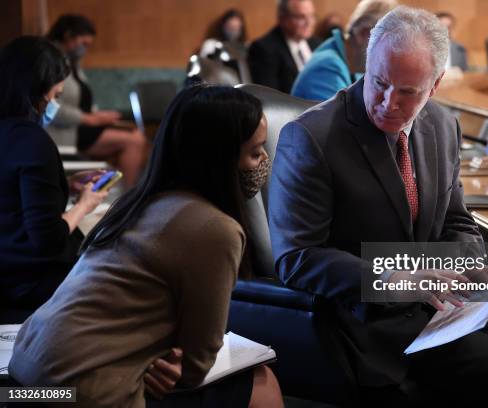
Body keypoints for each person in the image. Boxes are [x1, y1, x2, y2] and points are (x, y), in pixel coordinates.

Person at [269, 6, 488, 407]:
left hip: (447, 309)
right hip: (376, 329)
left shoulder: (441, 125)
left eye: (407, 92)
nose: (387, 101)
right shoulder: (311, 136)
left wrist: (468, 267)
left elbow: (457, 221)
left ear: (434, 87)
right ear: (367, 62)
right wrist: (404, 280)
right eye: (379, 82)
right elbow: (296, 257)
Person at [9, 85, 284, 408]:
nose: (265, 161)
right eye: (255, 152)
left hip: (21, 382)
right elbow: (196, 364)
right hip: (78, 393)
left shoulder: (134, 203)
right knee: (263, 383)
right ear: (219, 157)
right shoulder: (216, 228)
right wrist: (177, 364)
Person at [0, 36, 108, 311]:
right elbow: (48, 240)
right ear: (39, 90)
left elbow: (10, 190)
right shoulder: (33, 140)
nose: (54, 105)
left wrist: (64, 184)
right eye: (56, 97)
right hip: (30, 284)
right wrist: (85, 204)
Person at [46, 14, 147, 187]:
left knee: (137, 136)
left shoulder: (71, 62)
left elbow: (81, 100)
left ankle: (126, 194)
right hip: (68, 131)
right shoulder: (51, 60)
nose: (85, 49)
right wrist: (88, 118)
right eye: (84, 43)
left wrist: (99, 115)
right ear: (68, 35)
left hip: (81, 127)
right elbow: (50, 105)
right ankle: (128, 200)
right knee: (135, 141)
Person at [292, 0, 396, 101]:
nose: (388, 57)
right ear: (363, 34)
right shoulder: (327, 68)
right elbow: (339, 118)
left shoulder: (355, 68)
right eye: (386, 45)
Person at [247, 0, 319, 93]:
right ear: (283, 18)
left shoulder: (317, 44)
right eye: (301, 17)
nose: (309, 22)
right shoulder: (264, 49)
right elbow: (270, 96)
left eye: (312, 16)